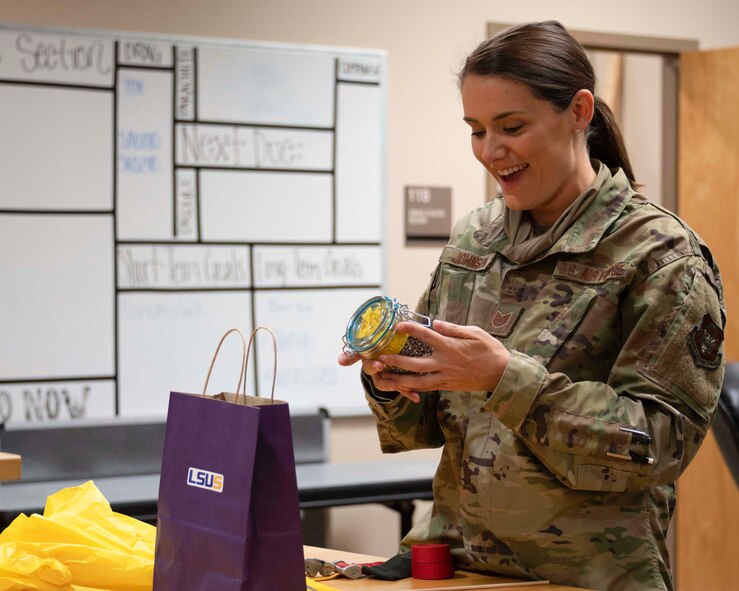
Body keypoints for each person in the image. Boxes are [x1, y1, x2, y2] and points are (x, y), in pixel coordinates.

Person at [338, 20, 726, 591]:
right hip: (459, 569)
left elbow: (658, 446)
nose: (491, 152)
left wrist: (502, 378)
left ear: (579, 112)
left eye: (511, 126)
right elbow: (424, 425)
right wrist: (392, 377)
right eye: (475, 130)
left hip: (590, 578)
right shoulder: (474, 240)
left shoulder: (659, 255)